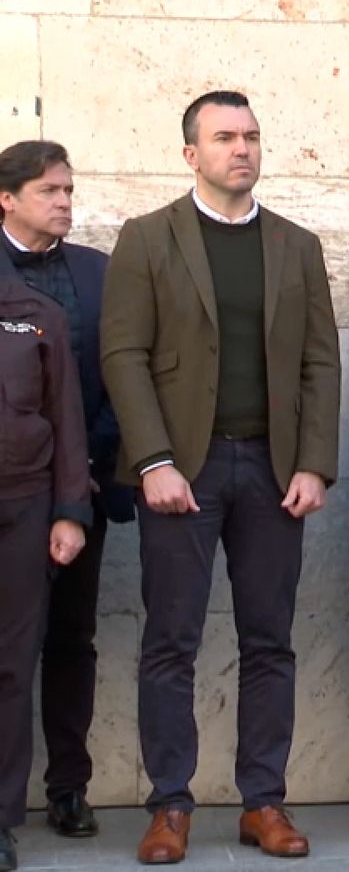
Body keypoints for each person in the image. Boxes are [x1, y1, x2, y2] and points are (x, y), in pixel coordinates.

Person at [101, 90, 341, 865]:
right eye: (225, 137)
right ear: (190, 154)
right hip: (183, 473)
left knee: (269, 641)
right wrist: (154, 461)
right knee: (170, 641)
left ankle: (262, 803)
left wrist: (314, 461)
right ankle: (170, 805)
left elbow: (318, 362)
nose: (242, 148)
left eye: (252, 136)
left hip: (273, 472)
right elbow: (123, 355)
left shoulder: (297, 245)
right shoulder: (146, 239)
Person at [0, 139, 135, 839]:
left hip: (82, 492)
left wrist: (91, 474)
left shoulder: (98, 273)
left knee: (71, 641)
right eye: (51, 191)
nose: (64, 203)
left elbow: (122, 375)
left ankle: (67, 788)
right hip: (15, 488)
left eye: (69, 191)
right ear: (8, 198)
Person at [0, 275, 90, 872]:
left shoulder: (36, 312)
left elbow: (67, 418)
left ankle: (0, 820)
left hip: (23, 505)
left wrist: (70, 512)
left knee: (11, 664)